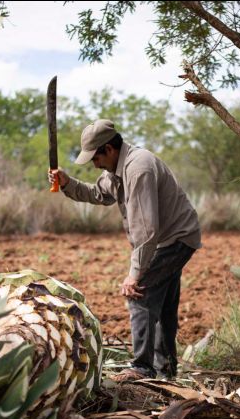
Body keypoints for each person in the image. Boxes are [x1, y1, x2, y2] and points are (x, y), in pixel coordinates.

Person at [47, 119, 201, 381]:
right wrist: (66, 182)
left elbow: (146, 230)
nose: (94, 164)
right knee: (162, 305)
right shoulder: (115, 170)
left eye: (95, 158)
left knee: (138, 294)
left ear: (109, 149)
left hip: (174, 239)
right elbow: (98, 194)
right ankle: (167, 371)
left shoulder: (138, 168)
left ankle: (143, 367)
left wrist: (134, 274)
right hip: (167, 239)